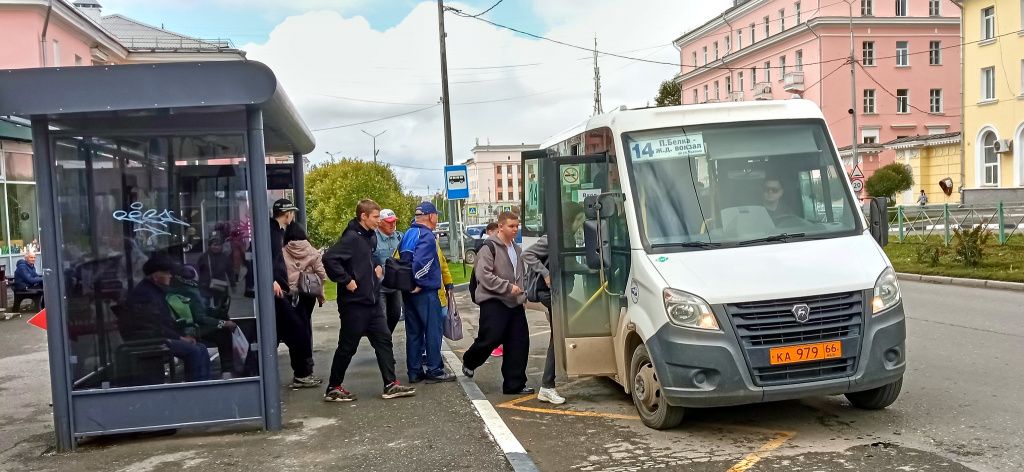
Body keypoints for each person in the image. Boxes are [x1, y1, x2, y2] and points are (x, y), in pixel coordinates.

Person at [322, 200, 416, 402]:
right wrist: (346, 280)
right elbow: (329, 259)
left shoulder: (369, 237)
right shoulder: (351, 238)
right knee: (348, 347)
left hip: (372, 301)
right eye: (375, 217)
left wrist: (374, 266)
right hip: (354, 304)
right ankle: (333, 387)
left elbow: (367, 257)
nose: (378, 220)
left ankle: (390, 384)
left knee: (384, 341)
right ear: (363, 216)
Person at [520, 205, 587, 405]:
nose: (581, 224)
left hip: (559, 294)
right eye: (579, 220)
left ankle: (553, 381)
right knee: (558, 336)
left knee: (561, 333)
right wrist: (546, 273)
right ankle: (547, 386)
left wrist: (591, 269)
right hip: (550, 294)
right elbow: (527, 255)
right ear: (570, 219)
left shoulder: (568, 236)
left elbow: (570, 263)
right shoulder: (553, 238)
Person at [461, 211, 532, 395]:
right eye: (511, 226)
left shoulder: (516, 249)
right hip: (493, 300)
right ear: (500, 226)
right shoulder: (489, 247)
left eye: (517, 226)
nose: (515, 229)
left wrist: (521, 297)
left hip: (514, 302)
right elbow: (483, 275)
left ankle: (514, 384)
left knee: (519, 342)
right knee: (490, 338)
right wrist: (507, 287)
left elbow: (521, 276)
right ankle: (470, 361)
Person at [122, 255, 211, 382]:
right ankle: (196, 389)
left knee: (201, 348)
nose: (170, 276)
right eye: (167, 273)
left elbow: (162, 322)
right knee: (194, 351)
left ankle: (205, 384)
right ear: (156, 276)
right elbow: (155, 325)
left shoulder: (154, 291)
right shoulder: (146, 295)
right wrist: (180, 338)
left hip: (156, 337)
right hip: (150, 340)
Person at [400, 202, 456, 383]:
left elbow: (402, 260)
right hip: (425, 292)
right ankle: (435, 369)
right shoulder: (427, 236)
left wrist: (409, 284)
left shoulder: (408, 233)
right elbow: (422, 264)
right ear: (431, 216)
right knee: (433, 331)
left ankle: (414, 371)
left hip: (408, 293)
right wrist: (419, 282)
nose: (437, 218)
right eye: (436, 215)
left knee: (414, 332)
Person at [270, 199, 320, 388]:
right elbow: (268, 259)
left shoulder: (277, 232)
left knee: (288, 331)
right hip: (278, 291)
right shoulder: (273, 232)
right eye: (292, 212)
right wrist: (272, 280)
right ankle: (302, 374)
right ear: (287, 213)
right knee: (297, 330)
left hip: (282, 290)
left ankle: (302, 373)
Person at [169, 265, 241, 375]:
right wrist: (223, 323)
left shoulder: (174, 289)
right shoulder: (192, 292)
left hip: (180, 328)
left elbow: (198, 312)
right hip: (192, 329)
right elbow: (200, 318)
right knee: (223, 334)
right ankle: (227, 369)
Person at [284, 223, 327, 340]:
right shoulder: (313, 251)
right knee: (305, 321)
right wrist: (320, 292)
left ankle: (297, 353)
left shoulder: (283, 251)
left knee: (292, 324)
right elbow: (322, 274)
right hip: (308, 292)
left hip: (289, 293)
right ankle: (306, 355)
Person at [374, 209, 404, 333]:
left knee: (396, 314)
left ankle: (385, 339)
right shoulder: (373, 238)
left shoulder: (400, 237)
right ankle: (383, 344)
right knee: (382, 318)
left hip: (396, 286)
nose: (392, 225)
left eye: (394, 222)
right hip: (380, 287)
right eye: (389, 222)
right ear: (380, 222)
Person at [196, 237, 234, 311]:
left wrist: (233, 284)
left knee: (221, 307)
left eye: (219, 245)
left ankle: (220, 321)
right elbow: (198, 270)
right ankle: (207, 320)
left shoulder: (224, 257)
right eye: (215, 245)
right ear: (210, 246)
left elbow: (229, 271)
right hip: (205, 285)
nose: (217, 247)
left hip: (220, 285)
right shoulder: (204, 257)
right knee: (204, 306)